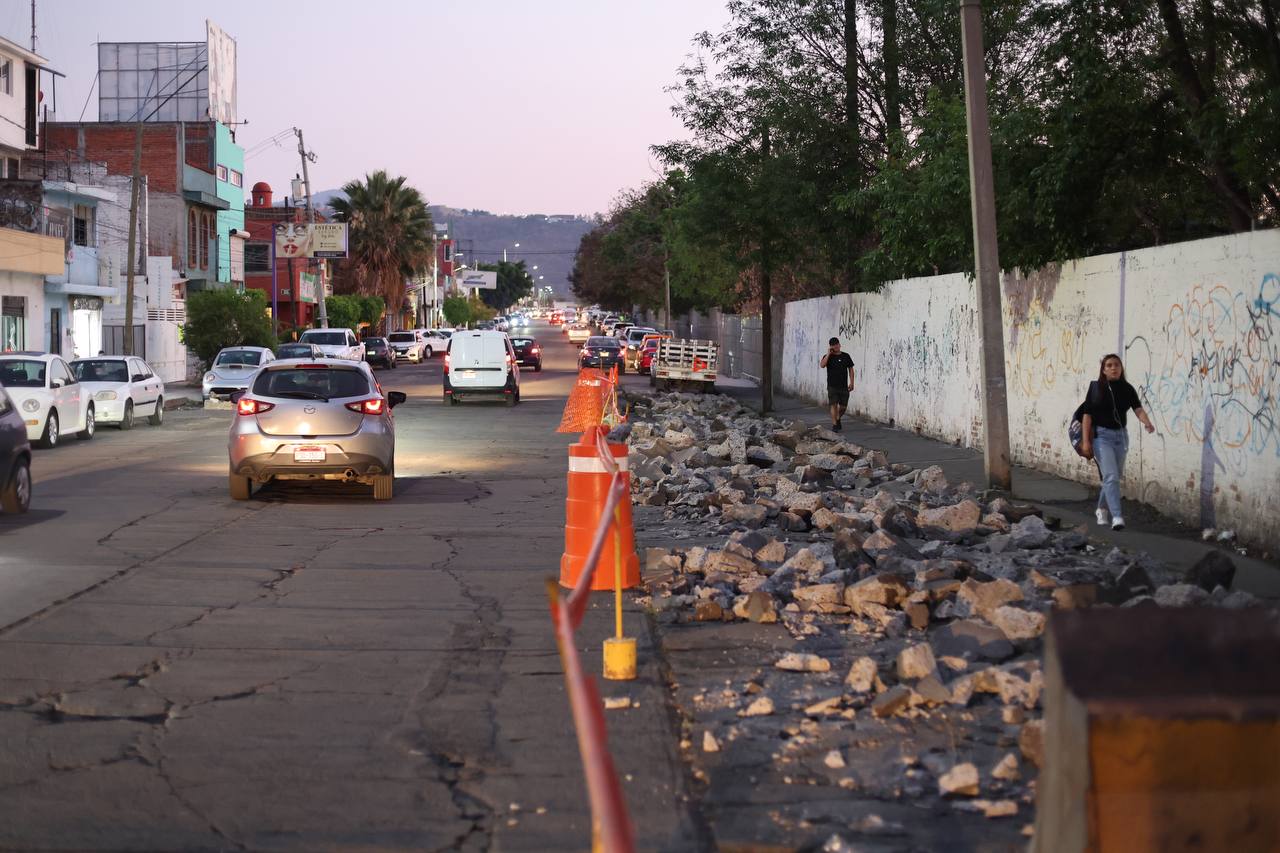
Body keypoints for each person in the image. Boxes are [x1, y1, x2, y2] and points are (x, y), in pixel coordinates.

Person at [1079, 353, 1155, 531]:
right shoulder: (1097, 388)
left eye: (1117, 365)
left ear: (1121, 368)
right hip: (1102, 437)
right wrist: (1085, 442)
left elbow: (1137, 409)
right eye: (1109, 365)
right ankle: (1117, 516)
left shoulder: (1127, 388)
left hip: (1121, 437)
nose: (1114, 368)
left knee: (1113, 476)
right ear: (1103, 370)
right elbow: (1087, 415)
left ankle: (1101, 508)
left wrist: (1147, 422)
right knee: (1111, 477)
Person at [820, 336, 855, 431]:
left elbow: (851, 369)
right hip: (832, 386)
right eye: (833, 345)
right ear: (830, 347)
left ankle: (838, 418)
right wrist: (828, 354)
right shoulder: (828, 357)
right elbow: (822, 365)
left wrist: (852, 383)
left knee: (843, 407)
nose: (835, 347)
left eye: (836, 345)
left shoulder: (846, 356)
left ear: (839, 345)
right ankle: (835, 425)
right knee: (833, 404)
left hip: (843, 386)